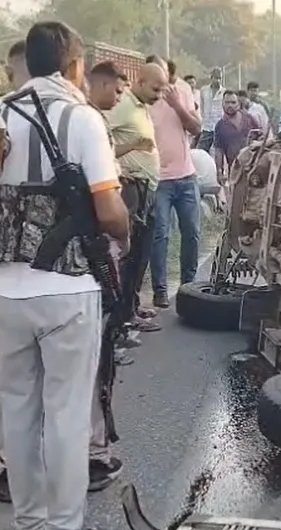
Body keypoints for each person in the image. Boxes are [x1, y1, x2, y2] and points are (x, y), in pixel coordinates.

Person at [0, 21, 129, 530]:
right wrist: (121, 235)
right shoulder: (82, 118)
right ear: (74, 65)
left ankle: (28, 521)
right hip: (69, 292)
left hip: (5, 291)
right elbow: (110, 209)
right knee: (67, 417)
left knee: (19, 410)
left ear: (27, 63)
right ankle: (64, 523)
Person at [0, 38, 32, 506]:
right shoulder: (77, 118)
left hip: (7, 276)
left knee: (15, 385)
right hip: (67, 279)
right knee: (61, 391)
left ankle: (9, 470)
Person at [104, 63, 167, 337]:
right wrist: (133, 146)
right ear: (139, 81)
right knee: (128, 255)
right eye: (155, 88)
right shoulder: (122, 107)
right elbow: (102, 144)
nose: (160, 95)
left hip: (147, 191)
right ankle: (122, 318)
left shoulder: (140, 108)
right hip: (131, 189)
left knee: (142, 253)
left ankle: (132, 306)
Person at [146, 55, 203, 308]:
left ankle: (188, 288)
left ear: (171, 74)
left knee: (192, 232)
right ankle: (159, 290)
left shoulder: (182, 90)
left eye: (165, 77)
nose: (162, 83)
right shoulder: (144, 98)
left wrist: (176, 104)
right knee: (160, 235)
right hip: (158, 180)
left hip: (186, 176)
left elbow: (196, 128)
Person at [213, 91, 259, 184]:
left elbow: (261, 137)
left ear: (238, 104)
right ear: (222, 104)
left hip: (254, 169)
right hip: (235, 170)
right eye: (227, 102)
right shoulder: (220, 126)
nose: (230, 105)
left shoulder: (249, 119)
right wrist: (219, 172)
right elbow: (218, 151)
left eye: (233, 102)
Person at [196, 68, 225, 153]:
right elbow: (202, 106)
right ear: (211, 78)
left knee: (218, 152)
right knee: (200, 151)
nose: (218, 80)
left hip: (219, 126)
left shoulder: (224, 92)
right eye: (216, 78)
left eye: (220, 78)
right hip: (207, 127)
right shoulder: (204, 90)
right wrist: (203, 119)